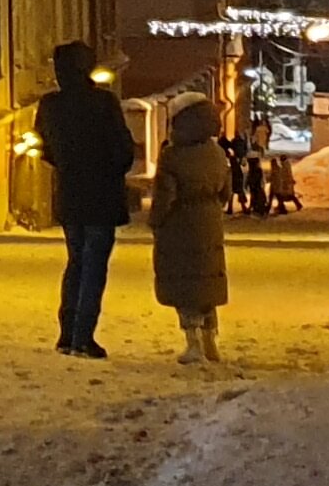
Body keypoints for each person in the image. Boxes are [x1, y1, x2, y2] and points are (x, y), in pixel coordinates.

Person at [33, 42, 133, 360]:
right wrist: (113, 169)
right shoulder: (103, 102)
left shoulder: (50, 105)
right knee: (93, 267)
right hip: (101, 195)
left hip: (70, 194)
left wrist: (66, 164)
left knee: (75, 263)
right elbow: (123, 150)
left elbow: (45, 147)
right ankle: (83, 337)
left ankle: (66, 333)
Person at [150, 93, 236, 364]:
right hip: (210, 221)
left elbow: (166, 195)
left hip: (180, 224)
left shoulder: (172, 155)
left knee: (185, 284)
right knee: (207, 282)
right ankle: (211, 341)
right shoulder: (217, 152)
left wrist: (156, 221)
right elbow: (226, 191)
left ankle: (193, 342)